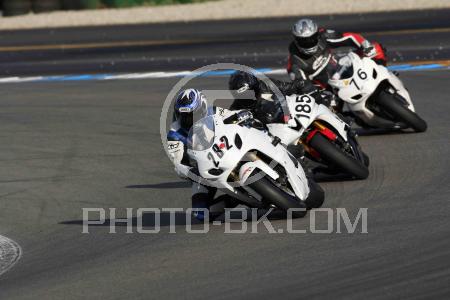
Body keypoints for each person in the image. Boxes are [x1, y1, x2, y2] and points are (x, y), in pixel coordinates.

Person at [167, 88, 238, 222]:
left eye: (192, 115)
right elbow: (178, 164)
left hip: (231, 150)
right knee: (200, 215)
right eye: (183, 116)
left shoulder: (214, 111)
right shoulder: (174, 135)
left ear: (203, 108)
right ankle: (235, 199)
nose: (187, 120)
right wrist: (191, 171)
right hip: (204, 171)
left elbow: (234, 116)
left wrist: (242, 116)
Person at [287, 18, 387, 83]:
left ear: (317, 35)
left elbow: (350, 37)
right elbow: (303, 86)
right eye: (304, 41)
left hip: (341, 69)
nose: (309, 43)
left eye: (312, 38)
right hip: (328, 89)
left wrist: (365, 46)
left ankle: (384, 74)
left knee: (376, 48)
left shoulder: (324, 36)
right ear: (296, 41)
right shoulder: (294, 63)